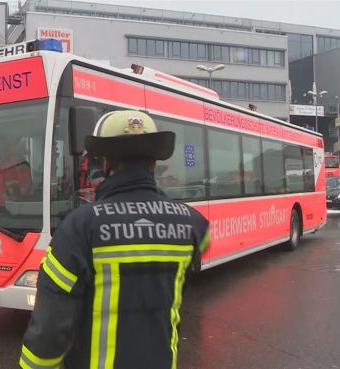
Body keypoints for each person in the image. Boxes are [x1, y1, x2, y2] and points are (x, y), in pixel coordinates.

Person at [19, 111, 210, 369]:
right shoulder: (193, 224)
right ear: (154, 163)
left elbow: (50, 328)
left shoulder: (78, 228)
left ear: (105, 163)